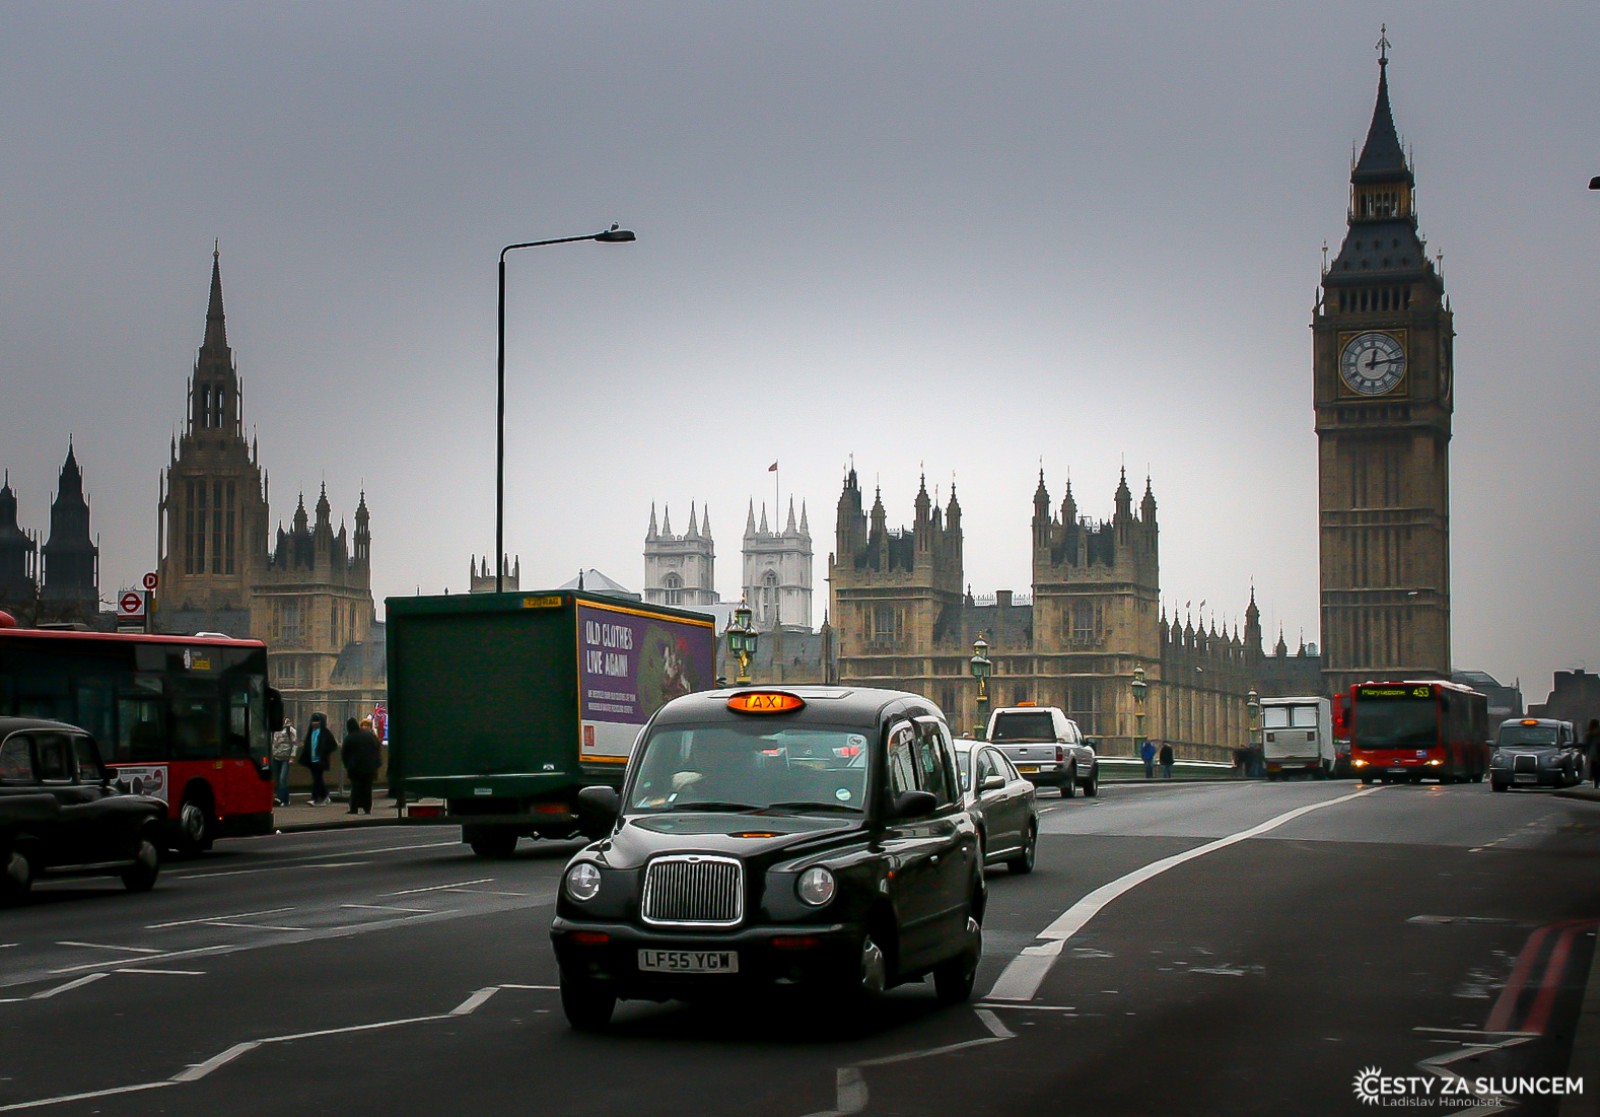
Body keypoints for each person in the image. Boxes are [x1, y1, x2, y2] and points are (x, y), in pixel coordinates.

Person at [342, 716, 383, 815]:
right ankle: (367, 808)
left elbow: (344, 754)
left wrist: (347, 765)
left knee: (356, 789)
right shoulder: (369, 735)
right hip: (370, 767)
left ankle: (354, 808)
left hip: (355, 768)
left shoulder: (350, 737)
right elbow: (377, 748)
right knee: (367, 788)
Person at [298, 712, 338, 805]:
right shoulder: (311, 732)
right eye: (313, 721)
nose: (314, 723)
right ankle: (325, 795)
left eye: (316, 721)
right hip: (311, 760)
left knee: (317, 779)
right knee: (318, 779)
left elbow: (333, 745)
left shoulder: (325, 732)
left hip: (320, 760)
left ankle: (314, 799)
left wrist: (324, 752)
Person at [270, 718, 298, 806]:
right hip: (276, 757)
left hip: (286, 758)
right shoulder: (274, 729)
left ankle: (280, 798)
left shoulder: (290, 730)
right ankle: (285, 799)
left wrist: (292, 757)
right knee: (278, 779)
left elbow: (295, 744)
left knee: (282, 778)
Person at [1586, 719, 1600, 789]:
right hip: (1596, 753)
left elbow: (1587, 744)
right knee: (1597, 769)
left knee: (1594, 769)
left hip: (1593, 754)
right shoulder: (1597, 733)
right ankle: (1597, 783)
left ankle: (1596, 784)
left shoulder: (1589, 734)